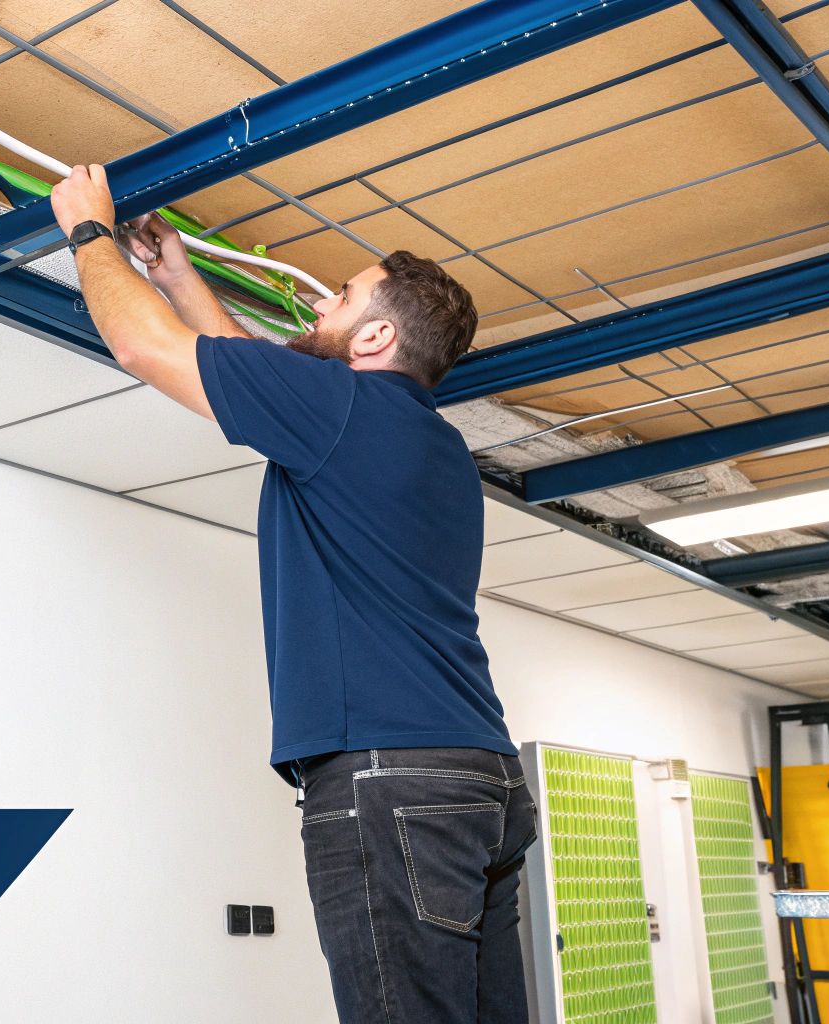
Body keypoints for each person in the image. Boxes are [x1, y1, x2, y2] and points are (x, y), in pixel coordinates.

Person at [50, 164, 536, 1023]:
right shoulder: (434, 448)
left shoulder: (343, 411)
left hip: (396, 780)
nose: (320, 306)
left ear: (378, 338)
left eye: (341, 298)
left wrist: (88, 232)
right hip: (483, 780)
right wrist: (177, 277)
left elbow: (144, 350)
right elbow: (258, 375)